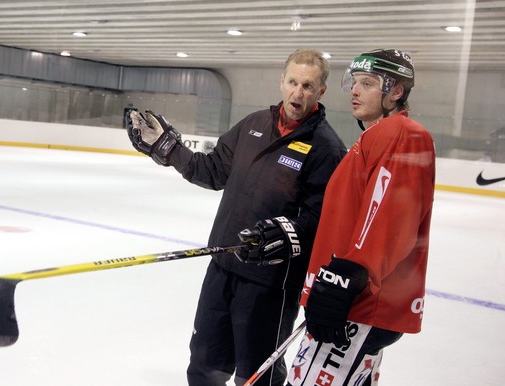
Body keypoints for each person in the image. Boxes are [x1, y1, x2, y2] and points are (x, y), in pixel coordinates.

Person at [124, 48, 347, 386]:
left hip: (269, 285)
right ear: (281, 81)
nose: (297, 93)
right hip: (222, 265)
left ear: (321, 91)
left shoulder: (326, 148)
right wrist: (168, 150)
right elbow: (211, 170)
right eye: (292, 82)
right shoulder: (254, 125)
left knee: (257, 374)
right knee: (204, 364)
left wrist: (290, 233)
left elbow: (322, 218)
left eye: (307, 86)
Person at [286, 49, 436, 386]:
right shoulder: (374, 136)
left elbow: (390, 219)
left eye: (367, 84)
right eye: (354, 82)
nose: (355, 90)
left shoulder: (404, 134)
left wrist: (347, 277)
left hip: (358, 305)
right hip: (354, 301)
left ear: (396, 92)